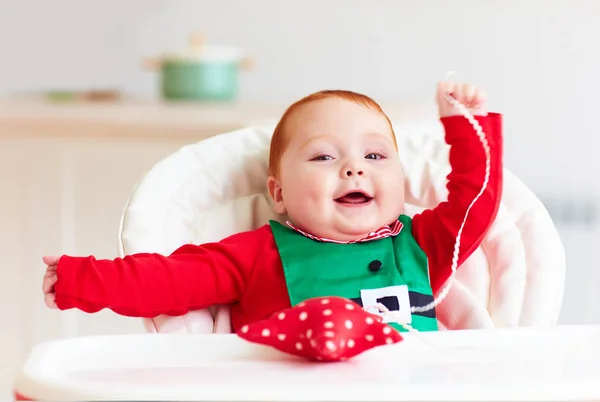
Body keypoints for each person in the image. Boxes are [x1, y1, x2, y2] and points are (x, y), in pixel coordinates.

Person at [42, 81, 503, 332]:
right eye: (324, 156)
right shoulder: (255, 256)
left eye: (376, 156)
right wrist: (80, 279)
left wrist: (468, 126)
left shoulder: (420, 247)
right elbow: (164, 280)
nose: (354, 169)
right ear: (277, 193)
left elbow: (475, 202)